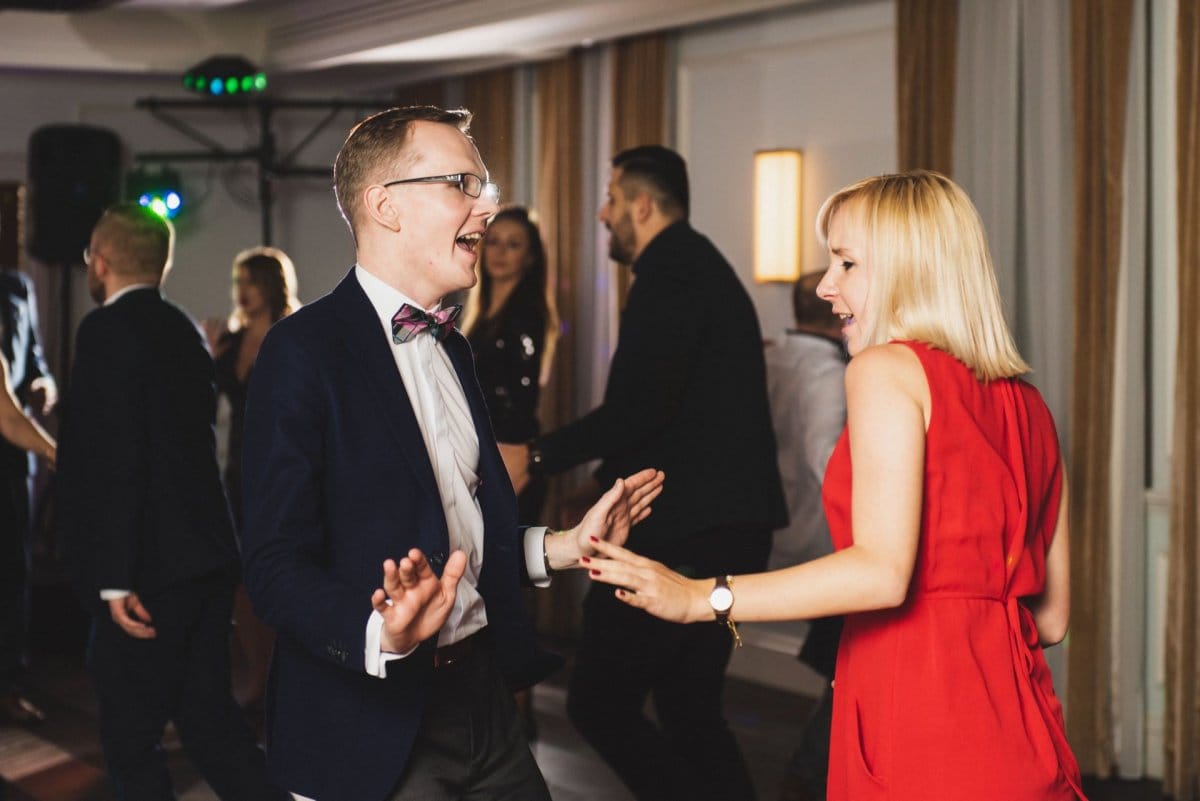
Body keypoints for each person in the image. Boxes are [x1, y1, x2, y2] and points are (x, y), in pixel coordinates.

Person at [585, 170, 1087, 801]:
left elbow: (881, 573)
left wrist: (698, 597)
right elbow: (1051, 618)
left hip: (921, 722)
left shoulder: (887, 370)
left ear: (911, 269)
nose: (825, 286)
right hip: (1019, 729)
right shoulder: (1030, 405)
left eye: (847, 263)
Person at [239, 105, 664, 801]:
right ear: (385, 206)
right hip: (367, 725)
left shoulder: (452, 347)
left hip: (483, 701)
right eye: (463, 183)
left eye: (485, 185)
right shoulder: (303, 352)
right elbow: (273, 564)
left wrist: (568, 545)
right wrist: (383, 628)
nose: (487, 206)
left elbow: (466, 532)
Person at [501, 145, 788, 801]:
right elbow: (675, 410)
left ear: (642, 203)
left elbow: (640, 407)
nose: (603, 214)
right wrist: (598, 478)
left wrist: (538, 455)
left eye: (609, 198)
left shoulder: (673, 273)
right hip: (719, 522)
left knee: (599, 703)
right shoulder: (695, 267)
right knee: (689, 707)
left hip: (685, 530)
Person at [56, 204, 284, 800]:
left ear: (98, 262)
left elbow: (120, 458)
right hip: (205, 556)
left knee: (131, 740)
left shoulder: (103, 329)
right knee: (212, 727)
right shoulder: (184, 329)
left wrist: (112, 576)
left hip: (147, 570)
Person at [764, 270, 848, 801]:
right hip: (823, 533)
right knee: (844, 658)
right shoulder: (830, 376)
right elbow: (828, 461)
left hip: (780, 524)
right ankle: (812, 773)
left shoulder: (770, 358)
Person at [208, 246, 300, 723]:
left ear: (270, 284)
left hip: (282, 467)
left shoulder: (294, 334)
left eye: (250, 281)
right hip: (239, 467)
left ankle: (288, 679)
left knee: (280, 570)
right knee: (241, 576)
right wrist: (212, 350)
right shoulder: (233, 336)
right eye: (237, 281)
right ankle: (260, 674)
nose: (242, 292)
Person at [462, 206, 558, 523]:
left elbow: (519, 399)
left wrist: (513, 461)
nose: (500, 252)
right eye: (494, 241)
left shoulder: (526, 317)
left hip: (508, 460)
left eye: (514, 244)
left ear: (530, 258)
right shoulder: (481, 316)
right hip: (487, 457)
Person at [0, 263, 57, 725]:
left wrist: (44, 385)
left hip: (12, 459)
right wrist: (63, 455)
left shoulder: (17, 287)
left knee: (12, 567)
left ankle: (9, 680)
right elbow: (7, 415)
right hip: (16, 433)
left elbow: (34, 357)